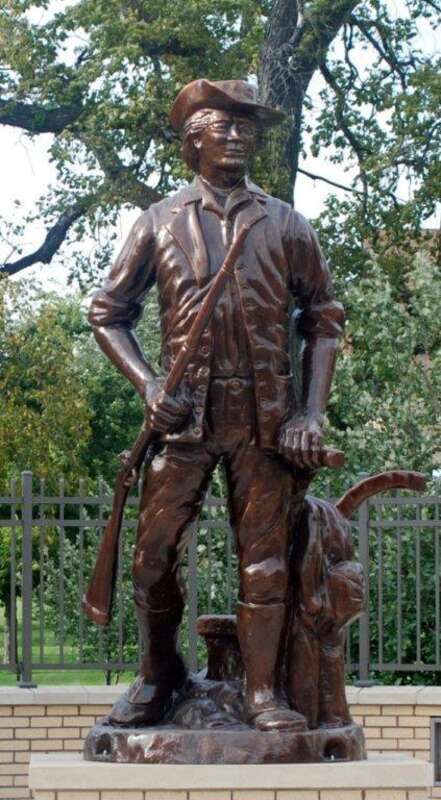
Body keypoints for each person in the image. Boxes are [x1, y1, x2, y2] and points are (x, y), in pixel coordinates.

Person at [88, 79, 345, 731]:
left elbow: (322, 319)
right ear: (191, 141)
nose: (236, 135)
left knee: (263, 562)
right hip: (183, 423)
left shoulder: (286, 224)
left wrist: (310, 414)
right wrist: (148, 385)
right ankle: (158, 673)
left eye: (244, 127)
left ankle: (261, 694)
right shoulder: (158, 221)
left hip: (265, 422)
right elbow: (107, 313)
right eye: (219, 125)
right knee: (149, 562)